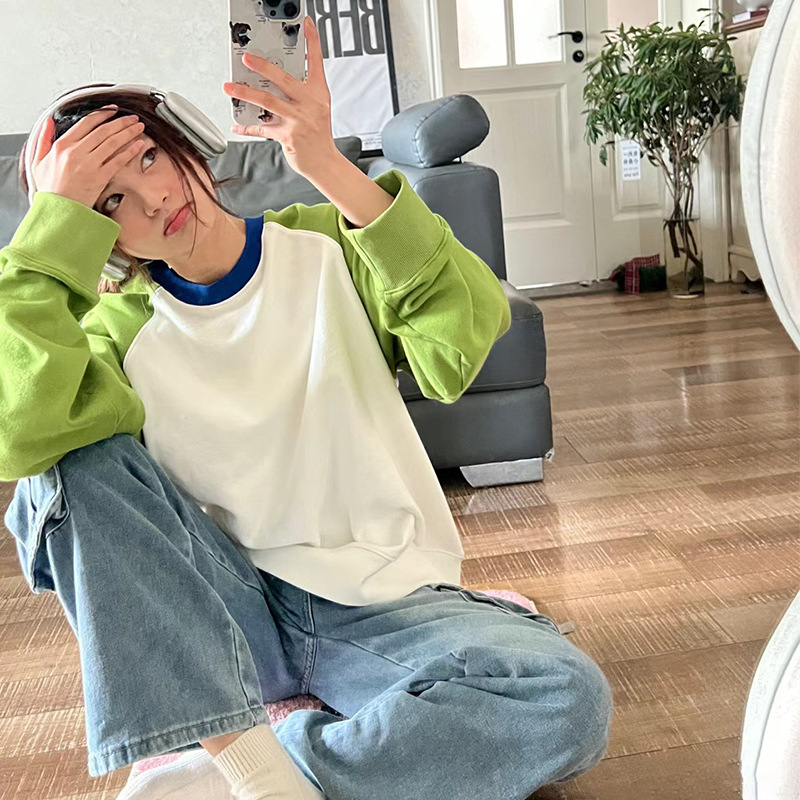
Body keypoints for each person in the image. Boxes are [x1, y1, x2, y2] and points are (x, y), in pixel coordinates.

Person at [0, 15, 612, 800]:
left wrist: (324, 162)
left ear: (184, 139)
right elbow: (21, 438)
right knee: (67, 461)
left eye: (149, 156)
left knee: (566, 700)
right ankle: (249, 763)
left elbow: (462, 339)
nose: (153, 198)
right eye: (109, 199)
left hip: (377, 603)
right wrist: (50, 234)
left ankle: (255, 774)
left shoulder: (331, 244)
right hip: (224, 614)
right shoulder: (110, 332)